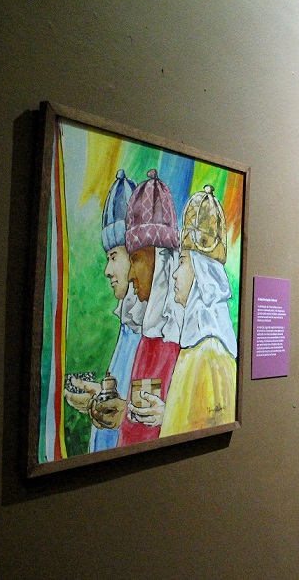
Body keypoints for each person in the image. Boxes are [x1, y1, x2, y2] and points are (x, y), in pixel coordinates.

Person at [64, 169, 142, 451]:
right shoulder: (130, 322)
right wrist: (98, 398)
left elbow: (162, 413)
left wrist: (118, 410)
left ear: (136, 256)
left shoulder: (157, 326)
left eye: (113, 256)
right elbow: (125, 400)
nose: (108, 270)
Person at [160, 185, 237, 436]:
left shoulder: (209, 354)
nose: (175, 274)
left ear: (203, 273)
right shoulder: (196, 348)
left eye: (182, 262)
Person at [117, 169, 183, 446]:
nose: (130, 274)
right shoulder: (146, 339)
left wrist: (170, 416)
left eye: (136, 259)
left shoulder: (187, 342)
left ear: (161, 261)